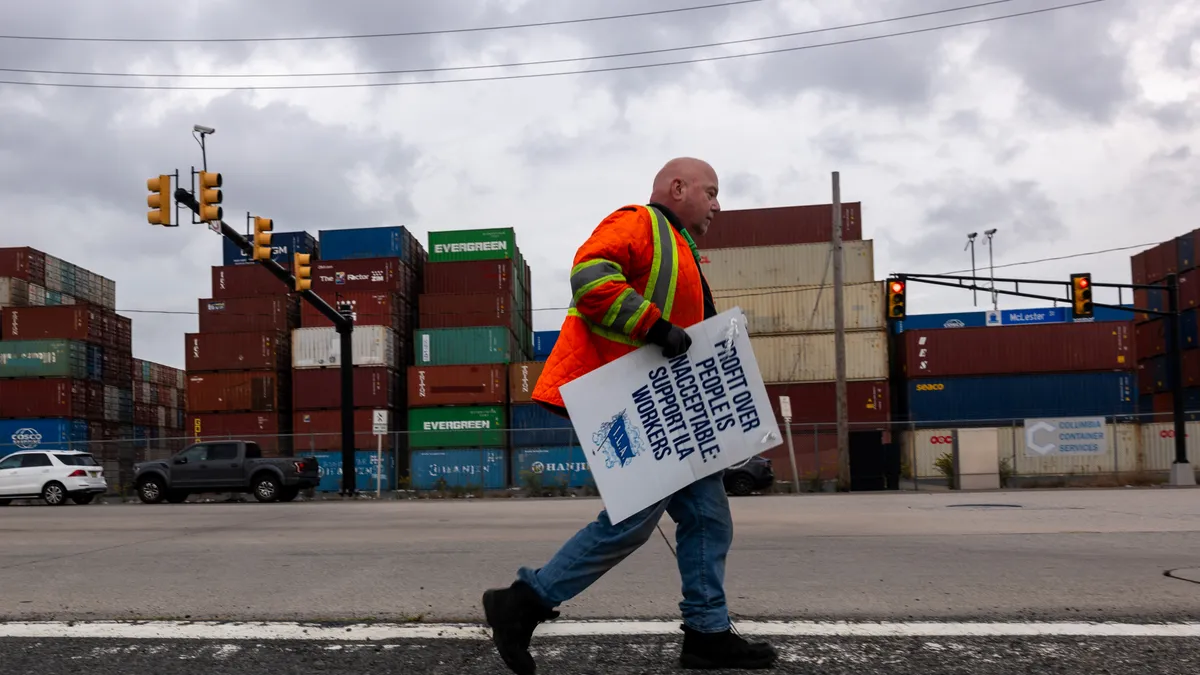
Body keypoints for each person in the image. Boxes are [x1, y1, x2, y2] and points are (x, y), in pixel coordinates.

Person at [481, 157, 778, 673]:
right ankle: (522, 602)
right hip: (638, 409)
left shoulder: (681, 249)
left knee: (709, 517)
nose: (717, 204)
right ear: (677, 187)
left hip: (671, 413)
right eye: (710, 192)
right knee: (632, 525)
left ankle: (707, 633)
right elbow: (590, 276)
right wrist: (655, 327)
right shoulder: (640, 222)